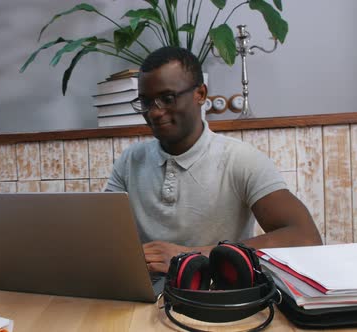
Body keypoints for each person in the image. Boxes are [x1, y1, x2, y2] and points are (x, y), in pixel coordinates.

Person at [106, 46, 323, 273]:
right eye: (146, 102)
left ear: (200, 94)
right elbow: (102, 235)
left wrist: (188, 257)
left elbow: (306, 237)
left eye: (167, 98)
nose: (155, 112)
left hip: (217, 292)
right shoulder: (130, 161)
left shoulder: (241, 159)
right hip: (145, 293)